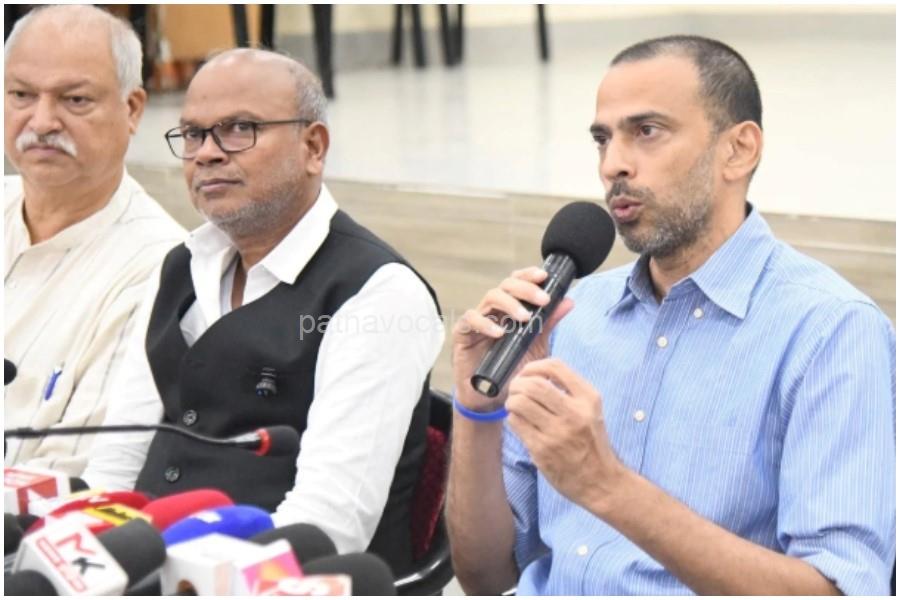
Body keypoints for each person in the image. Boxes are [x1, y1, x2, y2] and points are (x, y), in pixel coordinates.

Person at [447, 35, 895, 595]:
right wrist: (477, 411)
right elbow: (485, 578)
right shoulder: (572, 317)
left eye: (647, 131)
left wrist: (607, 486)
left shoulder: (831, 330)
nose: (613, 165)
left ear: (739, 150)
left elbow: (837, 590)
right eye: (602, 139)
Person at [82, 48, 444, 573]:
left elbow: (327, 526)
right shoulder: (182, 266)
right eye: (193, 134)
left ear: (313, 147)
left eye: (239, 129)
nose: (207, 153)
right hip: (136, 566)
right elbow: (116, 462)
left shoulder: (378, 294)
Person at [4, 5, 185, 475]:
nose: (42, 121)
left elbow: (73, 479)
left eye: (75, 100)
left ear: (132, 109)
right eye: (22, 95)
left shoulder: (158, 268)